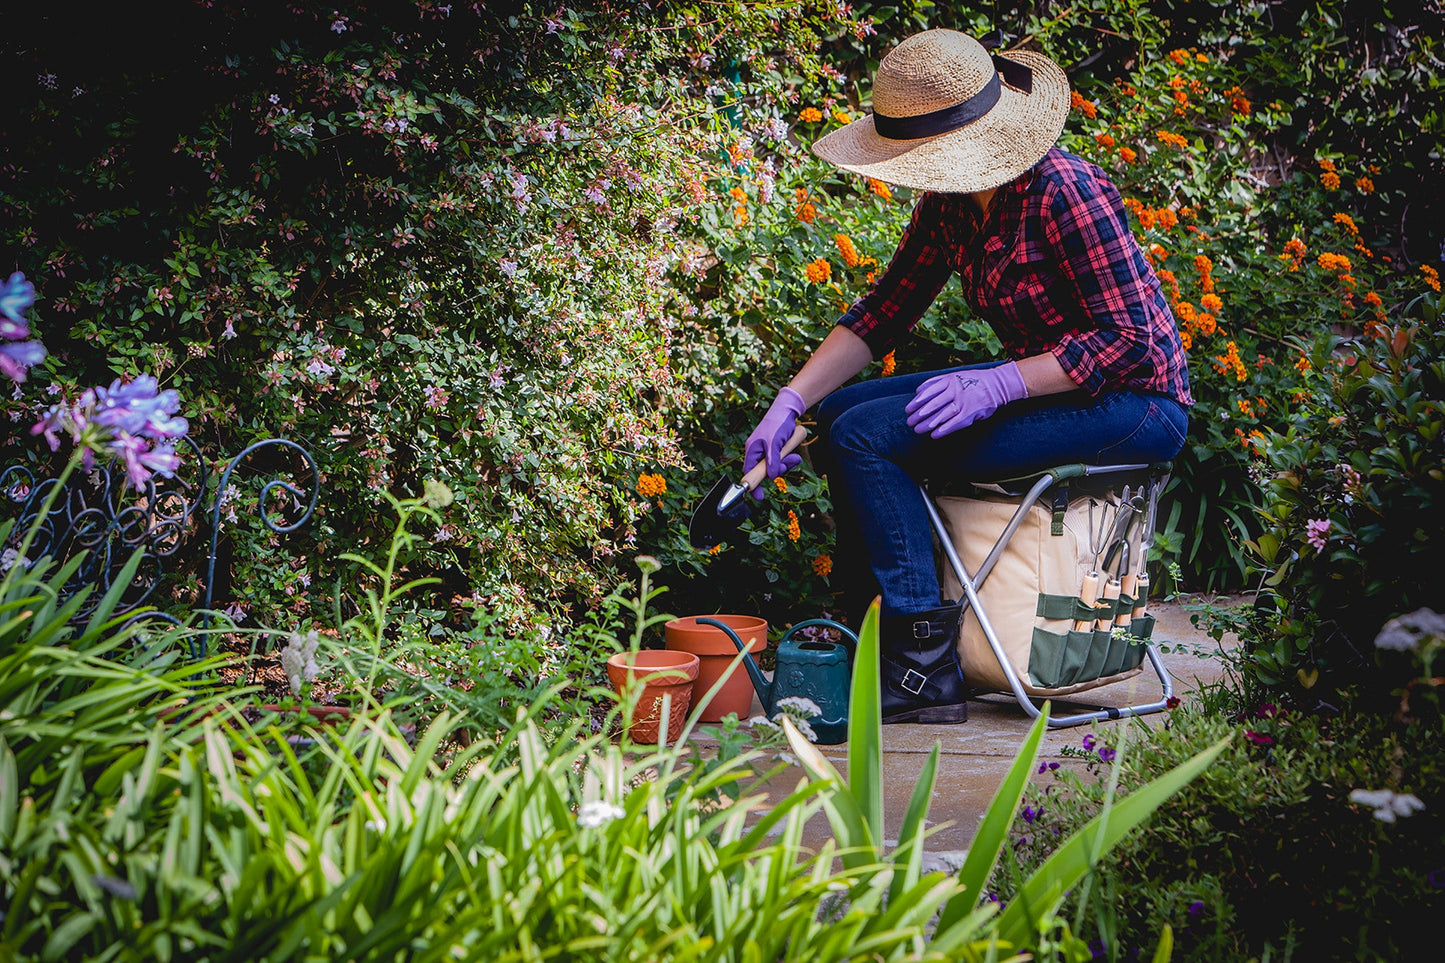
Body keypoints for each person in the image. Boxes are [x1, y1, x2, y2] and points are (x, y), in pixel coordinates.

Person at [742, 29, 1193, 725]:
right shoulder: (950, 204)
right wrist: (790, 400)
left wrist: (1001, 384)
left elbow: (1132, 342)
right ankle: (869, 633)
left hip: (1134, 403)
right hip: (1054, 382)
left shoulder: (1063, 191)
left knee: (867, 437)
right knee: (838, 418)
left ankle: (921, 667)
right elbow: (884, 311)